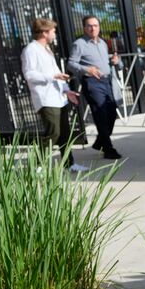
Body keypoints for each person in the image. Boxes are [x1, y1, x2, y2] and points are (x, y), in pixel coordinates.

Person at [22, 18, 87, 173]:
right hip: (45, 99)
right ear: (45, 32)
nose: (55, 34)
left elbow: (57, 72)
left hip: (59, 98)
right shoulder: (31, 49)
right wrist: (52, 77)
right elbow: (29, 74)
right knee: (53, 133)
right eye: (53, 31)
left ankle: (69, 164)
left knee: (64, 133)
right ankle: (37, 166)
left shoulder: (47, 50)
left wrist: (66, 90)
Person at [67, 16, 122, 160]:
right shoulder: (79, 44)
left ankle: (100, 141)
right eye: (90, 26)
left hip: (107, 81)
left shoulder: (102, 43)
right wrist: (86, 70)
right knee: (100, 114)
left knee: (111, 113)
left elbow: (105, 63)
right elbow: (71, 64)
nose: (93, 28)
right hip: (92, 82)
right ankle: (108, 148)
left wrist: (113, 62)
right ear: (84, 28)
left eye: (96, 25)